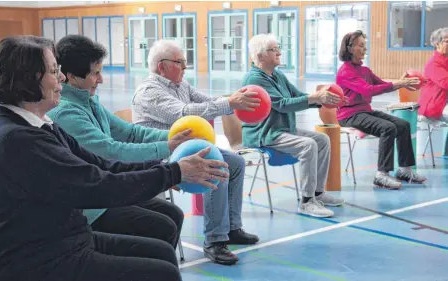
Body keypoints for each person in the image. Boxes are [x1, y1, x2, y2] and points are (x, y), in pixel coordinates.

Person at [0, 35, 229, 281]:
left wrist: (167, 170)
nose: (60, 77)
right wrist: (172, 173)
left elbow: (101, 163)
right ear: (28, 78)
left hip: (61, 239)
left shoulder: (39, 125)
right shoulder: (18, 141)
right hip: (35, 259)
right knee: (161, 272)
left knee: (162, 253)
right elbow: (96, 184)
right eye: (53, 70)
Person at [46, 35, 190, 249]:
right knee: (162, 226)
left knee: (173, 213)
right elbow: (111, 151)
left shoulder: (89, 102)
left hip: (107, 191)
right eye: (96, 73)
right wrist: (167, 149)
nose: (101, 79)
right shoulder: (66, 113)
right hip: (90, 205)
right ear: (71, 77)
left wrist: (174, 137)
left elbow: (130, 133)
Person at [132, 39, 260, 265]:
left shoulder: (181, 85)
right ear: (162, 66)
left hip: (187, 149)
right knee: (216, 165)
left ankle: (231, 228)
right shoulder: (149, 91)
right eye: (180, 62)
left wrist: (233, 99)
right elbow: (183, 113)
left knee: (236, 163)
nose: (185, 67)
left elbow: (208, 101)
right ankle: (214, 241)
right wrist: (229, 102)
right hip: (162, 153)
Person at [241, 34, 344, 218]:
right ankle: (307, 202)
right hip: (265, 133)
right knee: (308, 145)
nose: (279, 51)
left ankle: (318, 193)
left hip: (282, 129)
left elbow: (297, 95)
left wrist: (324, 100)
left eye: (278, 47)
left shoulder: (277, 74)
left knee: (322, 140)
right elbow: (283, 104)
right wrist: (315, 98)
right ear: (261, 55)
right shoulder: (255, 79)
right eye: (274, 49)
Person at [335, 30, 426, 189]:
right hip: (349, 115)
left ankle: (404, 170)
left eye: (365, 45)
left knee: (403, 125)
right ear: (350, 49)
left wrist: (400, 81)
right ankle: (381, 175)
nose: (365, 49)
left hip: (364, 111)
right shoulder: (345, 72)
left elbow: (381, 84)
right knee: (388, 128)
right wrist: (398, 84)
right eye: (361, 46)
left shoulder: (364, 70)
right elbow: (369, 90)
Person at [418, 27, 448, 123]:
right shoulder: (434, 63)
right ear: (437, 44)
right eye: (447, 41)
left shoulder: (445, 59)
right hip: (429, 113)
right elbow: (446, 83)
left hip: (440, 109)